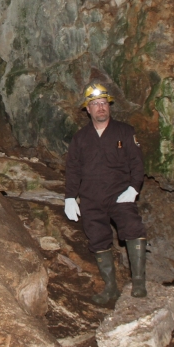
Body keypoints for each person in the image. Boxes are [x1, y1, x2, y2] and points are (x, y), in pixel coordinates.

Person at [64, 83, 148, 305]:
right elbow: (73, 169)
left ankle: (139, 282)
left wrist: (134, 188)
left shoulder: (125, 131)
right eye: (95, 104)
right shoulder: (80, 139)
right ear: (88, 110)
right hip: (91, 197)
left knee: (132, 226)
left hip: (119, 194)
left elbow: (137, 163)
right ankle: (111, 288)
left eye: (103, 103)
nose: (100, 108)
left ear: (108, 106)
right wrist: (70, 197)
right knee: (97, 238)